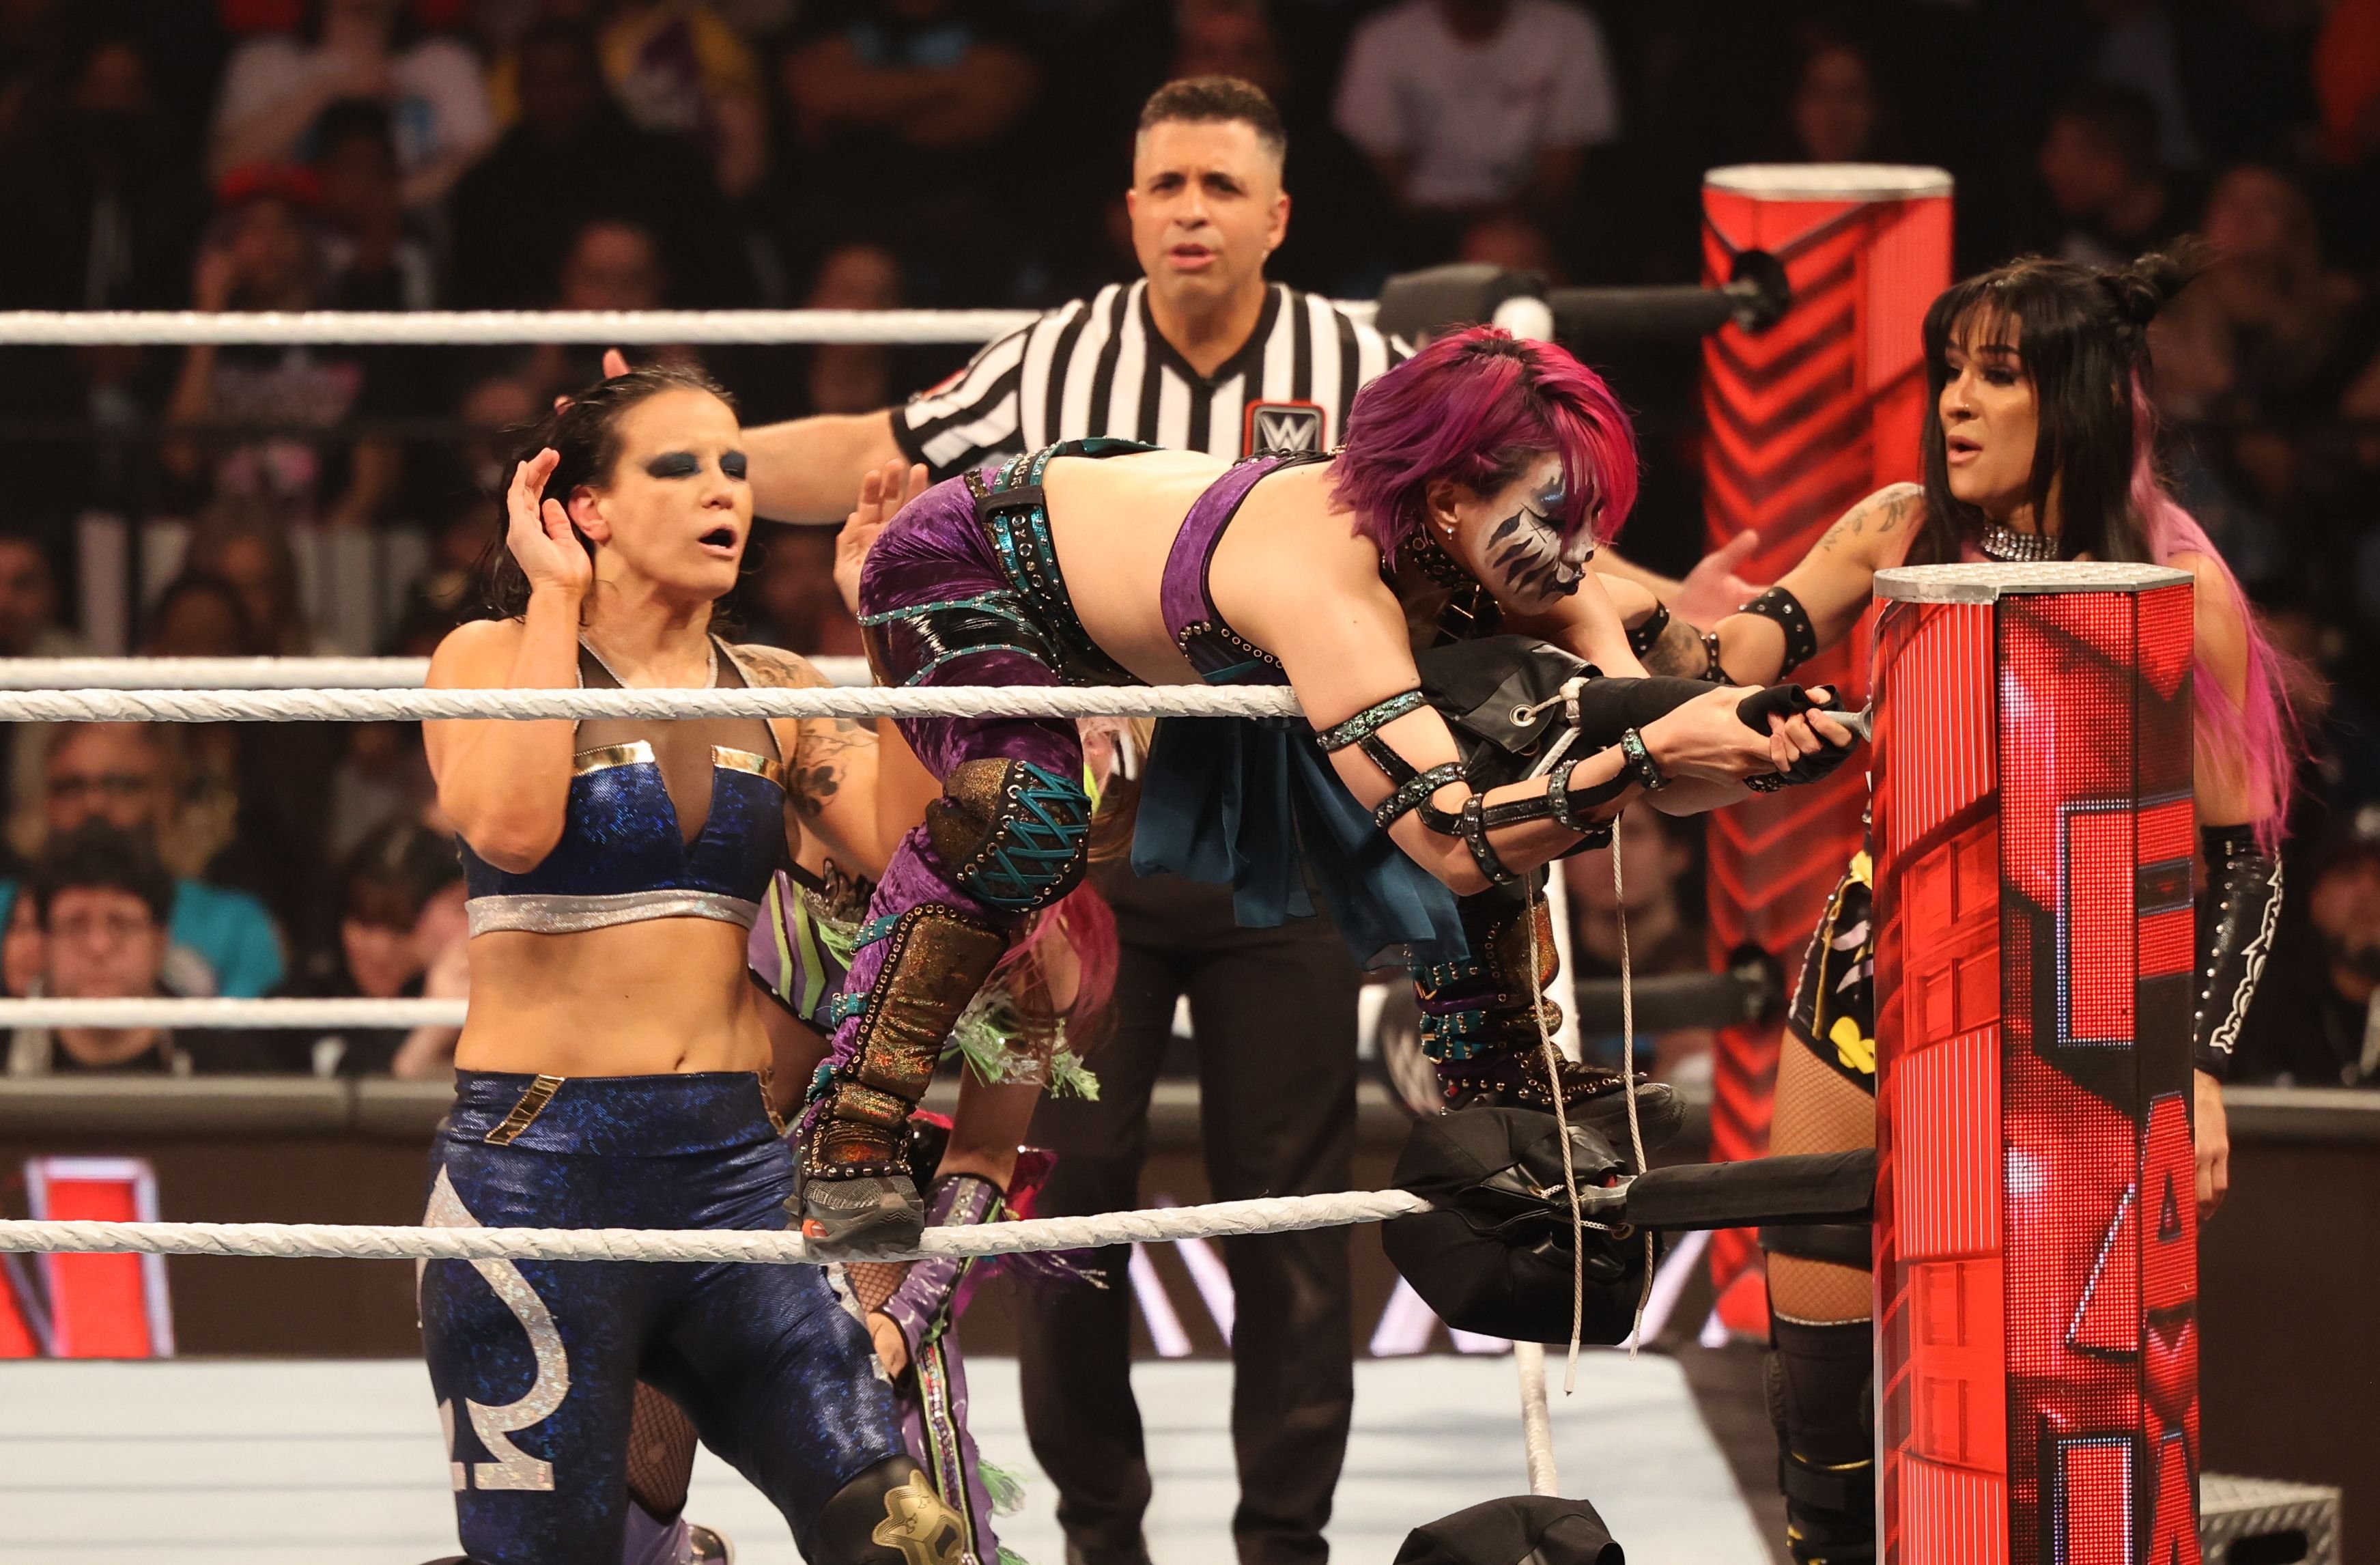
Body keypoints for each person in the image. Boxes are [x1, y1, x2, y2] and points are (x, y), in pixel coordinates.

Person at [706, 75, 1761, 1565]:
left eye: (1219, 184)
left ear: (1277, 213)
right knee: (1068, 1142)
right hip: (1076, 763)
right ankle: (1064, 1474)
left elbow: (1547, 551)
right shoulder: (1089, 379)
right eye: (1166, 184)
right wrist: (696, 459)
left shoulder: (1390, 382)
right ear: (1130, 206)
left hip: (1260, 801)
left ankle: (1293, 1526)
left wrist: (1683, 639)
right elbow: (873, 435)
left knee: (1297, 1198)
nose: (1189, 210)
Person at [802, 325, 1844, 1252]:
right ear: (1448, 499)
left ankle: (1500, 1067)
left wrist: (1727, 731)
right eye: (1556, 516)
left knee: (1502, 724)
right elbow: (1450, 838)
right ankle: (850, 1126)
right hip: (967, 565)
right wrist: (1650, 752)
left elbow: (1604, 686)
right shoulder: (1327, 581)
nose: (1576, 553)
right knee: (1024, 817)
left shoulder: (1466, 551)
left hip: (1133, 567)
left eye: (1592, 520)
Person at [1619, 251, 2295, 1565]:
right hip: (1880, 963)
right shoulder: (1895, 527)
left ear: (2078, 395)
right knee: (1817, 1356)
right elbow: (1730, 660)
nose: (1955, 403)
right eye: (1948, 372)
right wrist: (1645, 614)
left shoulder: (2175, 586)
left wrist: (2201, 1068)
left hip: (2080, 1013)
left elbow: (2243, 862)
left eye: (1997, 375)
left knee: (2048, 1390)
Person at [417, 361, 954, 1564]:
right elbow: (511, 828)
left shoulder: (780, 689)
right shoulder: (483, 655)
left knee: (905, 1538)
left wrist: (889, 631)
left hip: (731, 1176)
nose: (725, 491)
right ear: (588, 507)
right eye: (679, 466)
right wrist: (556, 598)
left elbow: (909, 854)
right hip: (536, 1179)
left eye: (734, 467)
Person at [0, 723, 285, 998]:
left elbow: (247, 1030)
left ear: (166, 796)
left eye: (120, 785)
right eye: (71, 787)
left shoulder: (237, 925)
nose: (94, 805)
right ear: (44, 799)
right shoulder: (6, 910)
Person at [7, 822, 274, 1075]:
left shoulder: (232, 1071)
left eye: (121, 924)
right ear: (46, 943)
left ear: (160, 941)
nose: (99, 946)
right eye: (76, 925)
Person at [1331, 0, 1619, 219]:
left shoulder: (1567, 30)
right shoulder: (1382, 37)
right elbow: (1379, 173)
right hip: (1415, 229)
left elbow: (1560, 174)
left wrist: (1500, 227)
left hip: (1531, 223)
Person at [208, 0, 494, 211]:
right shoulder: (267, 63)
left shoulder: (444, 64)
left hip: (418, 249)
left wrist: (385, 201)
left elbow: (485, 166)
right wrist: (329, 89)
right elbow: (224, 171)